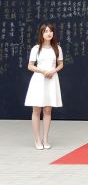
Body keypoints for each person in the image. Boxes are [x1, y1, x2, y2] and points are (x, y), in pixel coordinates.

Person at [25, 22, 63, 150]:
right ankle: (37, 139)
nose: (49, 33)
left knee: (47, 110)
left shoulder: (57, 48)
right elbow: (30, 66)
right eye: (46, 31)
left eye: (50, 31)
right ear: (41, 34)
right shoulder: (36, 48)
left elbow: (61, 64)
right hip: (38, 80)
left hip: (51, 79)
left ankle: (45, 139)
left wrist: (53, 71)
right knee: (36, 110)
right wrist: (43, 71)